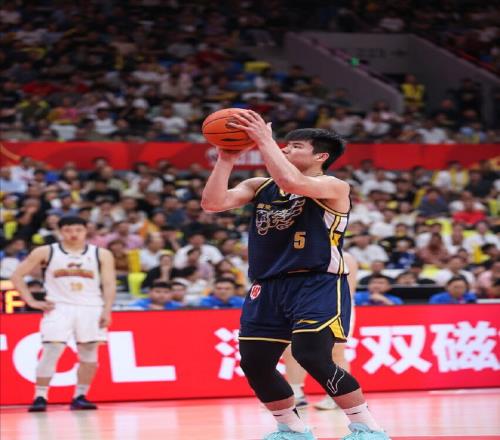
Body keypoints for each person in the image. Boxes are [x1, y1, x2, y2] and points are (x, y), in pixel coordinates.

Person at [202, 112, 389, 440]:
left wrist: (263, 140)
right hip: (267, 285)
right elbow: (213, 203)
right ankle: (292, 429)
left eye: (296, 146)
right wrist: (225, 160)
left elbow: (292, 183)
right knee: (254, 362)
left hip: (315, 282)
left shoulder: (333, 186)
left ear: (321, 156)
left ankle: (367, 428)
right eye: (285, 145)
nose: (285, 149)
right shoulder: (260, 186)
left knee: (311, 354)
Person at [10, 216, 116, 412]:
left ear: (86, 231)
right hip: (59, 306)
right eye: (68, 230)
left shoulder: (101, 254)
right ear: (60, 231)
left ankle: (80, 396)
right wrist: (31, 301)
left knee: (89, 354)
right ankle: (40, 396)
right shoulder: (46, 251)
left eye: (78, 230)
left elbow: (109, 284)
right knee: (52, 350)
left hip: (91, 307)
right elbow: (16, 275)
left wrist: (107, 310)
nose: (73, 234)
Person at [283, 252, 359, 410]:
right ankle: (296, 394)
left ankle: (338, 396)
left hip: (336, 307)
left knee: (335, 352)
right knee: (291, 349)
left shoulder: (345, 257)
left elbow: (348, 290)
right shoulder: (300, 252)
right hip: (301, 307)